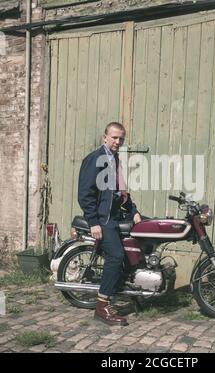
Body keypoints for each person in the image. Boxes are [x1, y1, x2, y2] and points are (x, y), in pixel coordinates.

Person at [78, 122, 141, 326]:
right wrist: (93, 222)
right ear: (104, 137)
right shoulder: (95, 159)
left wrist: (134, 211)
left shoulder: (114, 159)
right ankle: (101, 306)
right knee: (116, 256)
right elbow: (85, 194)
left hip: (113, 216)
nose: (118, 141)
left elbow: (121, 192)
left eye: (121, 138)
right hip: (103, 219)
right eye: (114, 137)